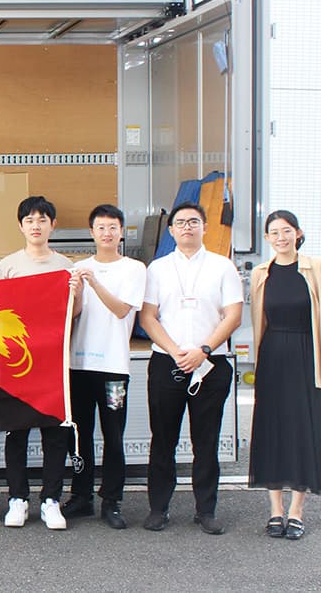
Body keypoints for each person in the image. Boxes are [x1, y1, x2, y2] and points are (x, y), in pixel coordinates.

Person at [139, 201, 242, 535]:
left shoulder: (222, 266)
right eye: (180, 222)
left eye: (193, 222)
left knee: (206, 439)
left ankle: (206, 510)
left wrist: (204, 350)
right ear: (171, 231)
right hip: (168, 362)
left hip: (211, 364)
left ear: (204, 227)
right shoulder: (157, 268)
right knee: (163, 438)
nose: (187, 227)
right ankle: (159, 508)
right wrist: (177, 353)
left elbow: (233, 315)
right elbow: (148, 317)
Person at [0, 195, 76, 530]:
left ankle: (51, 499)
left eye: (42, 219)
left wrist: (76, 293)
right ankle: (17, 498)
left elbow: (74, 314)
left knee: (55, 433)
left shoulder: (66, 266)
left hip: (53, 361)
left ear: (52, 225)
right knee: (17, 432)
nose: (36, 226)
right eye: (29, 220)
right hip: (17, 361)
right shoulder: (7, 265)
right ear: (20, 226)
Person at [62, 205, 146, 529]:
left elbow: (122, 310)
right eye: (101, 227)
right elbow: (74, 315)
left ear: (121, 232)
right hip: (79, 365)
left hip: (113, 368)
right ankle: (81, 496)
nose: (107, 233)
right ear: (92, 231)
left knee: (114, 435)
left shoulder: (134, 269)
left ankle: (112, 500)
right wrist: (79, 295)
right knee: (79, 435)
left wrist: (94, 283)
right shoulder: (78, 268)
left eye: (113, 227)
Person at [248, 210, 321, 540]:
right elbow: (258, 322)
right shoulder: (261, 274)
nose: (280, 237)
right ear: (266, 238)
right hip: (272, 354)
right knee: (273, 427)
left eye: (286, 230)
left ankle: (297, 511)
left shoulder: (314, 269)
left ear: (298, 233)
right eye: (274, 232)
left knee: (302, 428)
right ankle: (275, 510)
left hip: (307, 355)